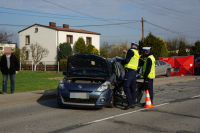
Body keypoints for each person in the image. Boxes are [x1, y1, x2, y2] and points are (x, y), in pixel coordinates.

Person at [121, 42, 139, 110]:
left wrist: (121, 62)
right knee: (132, 87)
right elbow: (132, 59)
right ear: (136, 47)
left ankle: (130, 102)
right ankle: (133, 102)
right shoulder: (136, 52)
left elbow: (127, 61)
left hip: (129, 71)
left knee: (126, 86)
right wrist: (126, 53)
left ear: (131, 46)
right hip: (134, 72)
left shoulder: (130, 51)